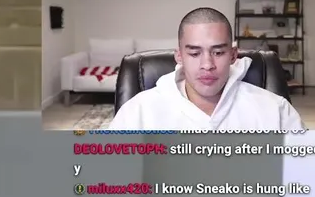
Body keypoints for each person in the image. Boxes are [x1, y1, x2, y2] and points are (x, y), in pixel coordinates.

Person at [108, 7, 304, 132]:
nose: (207, 64)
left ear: (233, 55)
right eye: (194, 53)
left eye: (218, 52)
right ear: (179, 56)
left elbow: (307, 176)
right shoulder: (139, 112)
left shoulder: (275, 110)